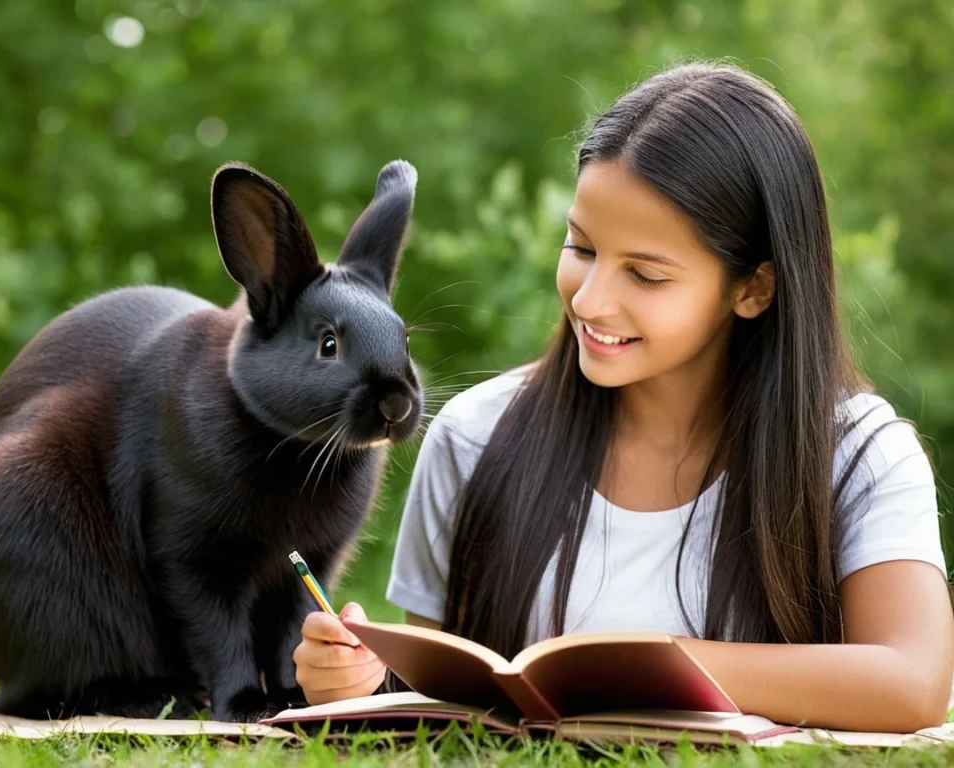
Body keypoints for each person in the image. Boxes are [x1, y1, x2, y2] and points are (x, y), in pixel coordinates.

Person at [292, 60, 954, 732]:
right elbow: (440, 702)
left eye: (644, 273)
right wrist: (361, 679)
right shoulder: (476, 436)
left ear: (753, 288)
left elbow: (913, 683)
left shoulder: (858, 455)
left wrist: (640, 666)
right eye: (580, 247)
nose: (591, 297)